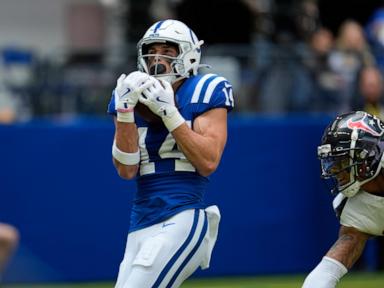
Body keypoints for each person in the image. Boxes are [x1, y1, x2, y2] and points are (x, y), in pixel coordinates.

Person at [107, 19, 234, 288]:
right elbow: (126, 170)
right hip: (140, 221)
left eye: (168, 51)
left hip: (182, 216)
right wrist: (125, 110)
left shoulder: (205, 89)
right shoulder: (129, 92)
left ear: (189, 55)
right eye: (152, 51)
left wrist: (170, 114)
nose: (158, 59)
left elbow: (209, 161)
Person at [302, 111, 384, 288]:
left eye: (342, 162)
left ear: (367, 159)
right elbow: (327, 271)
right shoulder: (358, 204)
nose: (334, 170)